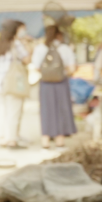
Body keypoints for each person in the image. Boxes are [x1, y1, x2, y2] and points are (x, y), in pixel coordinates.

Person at [32, 19, 77, 149]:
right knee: (61, 110)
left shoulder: (40, 48)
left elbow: (36, 67)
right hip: (61, 83)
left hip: (45, 84)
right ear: (59, 34)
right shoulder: (65, 48)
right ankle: (60, 141)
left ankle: (45, 140)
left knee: (46, 111)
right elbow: (72, 69)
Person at [0, 19, 29, 148]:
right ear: (15, 30)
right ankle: (12, 139)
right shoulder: (16, 44)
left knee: (2, 110)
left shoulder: (0, 44)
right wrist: (27, 44)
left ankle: (2, 137)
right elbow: (27, 59)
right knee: (14, 110)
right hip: (12, 82)